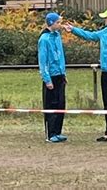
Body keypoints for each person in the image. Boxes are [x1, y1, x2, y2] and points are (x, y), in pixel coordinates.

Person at [64, 8, 107, 142]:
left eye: (106, 17)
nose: (104, 19)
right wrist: (73, 29)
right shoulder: (105, 32)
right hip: (105, 72)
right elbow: (90, 36)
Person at [38, 12, 68, 143]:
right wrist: (47, 79)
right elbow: (43, 61)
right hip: (51, 76)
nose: (59, 25)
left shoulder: (57, 37)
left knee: (61, 104)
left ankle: (57, 131)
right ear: (51, 23)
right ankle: (50, 134)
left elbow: (60, 56)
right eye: (58, 23)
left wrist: (63, 73)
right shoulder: (44, 39)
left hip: (60, 75)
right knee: (51, 105)